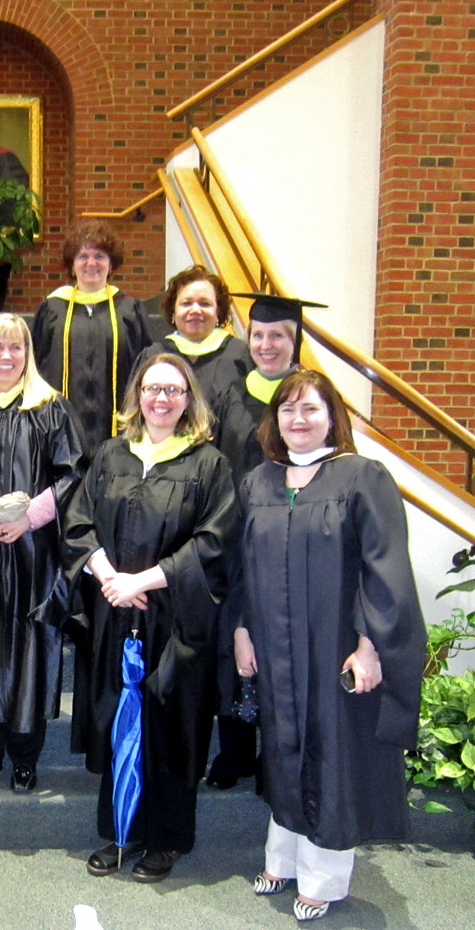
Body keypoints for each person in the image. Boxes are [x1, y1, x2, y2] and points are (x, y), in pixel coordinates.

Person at [236, 370, 425, 921]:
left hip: (334, 645)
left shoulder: (363, 476)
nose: (298, 419)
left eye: (311, 409)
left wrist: (369, 645)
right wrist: (242, 629)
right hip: (274, 646)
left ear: (332, 416)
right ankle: (283, 858)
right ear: (273, 420)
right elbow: (242, 566)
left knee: (332, 751)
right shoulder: (260, 482)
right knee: (284, 745)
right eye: (287, 409)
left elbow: (384, 566)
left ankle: (322, 877)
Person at [62, 353, 238, 884]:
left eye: (174, 390)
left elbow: (214, 542)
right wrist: (109, 576)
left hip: (175, 616)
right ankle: (123, 831)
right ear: (137, 394)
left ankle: (166, 838)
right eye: (152, 388)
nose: (162, 399)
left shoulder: (209, 464)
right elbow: (77, 523)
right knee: (120, 721)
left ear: (189, 400)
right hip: (115, 611)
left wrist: (144, 580)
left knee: (172, 721)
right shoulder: (112, 453)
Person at [0, 313, 86, 793]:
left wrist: (31, 518)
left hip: (33, 553)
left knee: (30, 651)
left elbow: (71, 475)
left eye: (16, 348)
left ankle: (26, 758)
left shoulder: (50, 409)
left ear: (28, 354)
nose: (6, 357)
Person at [207, 293, 326, 789]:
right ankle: (234, 752)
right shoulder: (231, 394)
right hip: (235, 538)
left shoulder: (309, 401)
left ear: (294, 341)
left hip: (290, 543)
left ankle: (277, 759)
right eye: (257, 334)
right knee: (231, 641)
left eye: (277, 335)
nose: (266, 344)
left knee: (281, 644)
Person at [33, 219, 152, 454]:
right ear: (72, 263)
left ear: (111, 263)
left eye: (99, 256)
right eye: (83, 256)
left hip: (119, 431)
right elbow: (35, 364)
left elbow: (145, 366)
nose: (91, 263)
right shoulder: (53, 309)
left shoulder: (128, 310)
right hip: (58, 433)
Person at [133, 265, 251, 411]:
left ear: (218, 312)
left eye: (205, 303)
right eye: (186, 303)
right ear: (173, 312)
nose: (195, 310)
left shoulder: (240, 354)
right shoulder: (153, 356)